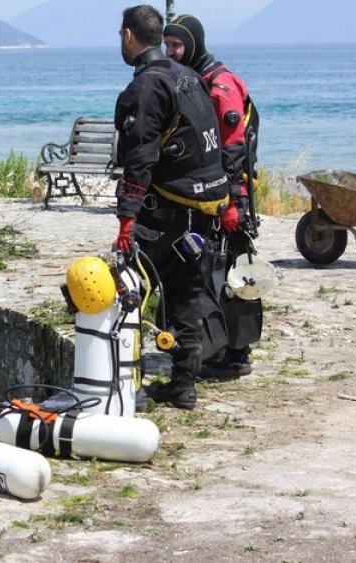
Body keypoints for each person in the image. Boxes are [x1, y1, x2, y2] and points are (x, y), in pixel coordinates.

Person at [113, 5, 231, 409]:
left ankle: (121, 383)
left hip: (164, 211)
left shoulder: (147, 87)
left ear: (129, 35)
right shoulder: (191, 78)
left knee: (124, 287)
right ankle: (183, 383)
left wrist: (126, 220)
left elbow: (139, 158)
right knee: (186, 293)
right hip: (202, 208)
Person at [164, 14, 262, 379]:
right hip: (209, 195)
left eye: (177, 45)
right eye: (167, 45)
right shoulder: (194, 79)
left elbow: (233, 150)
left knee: (234, 274)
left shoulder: (219, 84)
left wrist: (231, 202)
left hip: (228, 196)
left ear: (194, 44)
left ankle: (236, 352)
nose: (171, 52)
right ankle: (215, 344)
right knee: (209, 273)